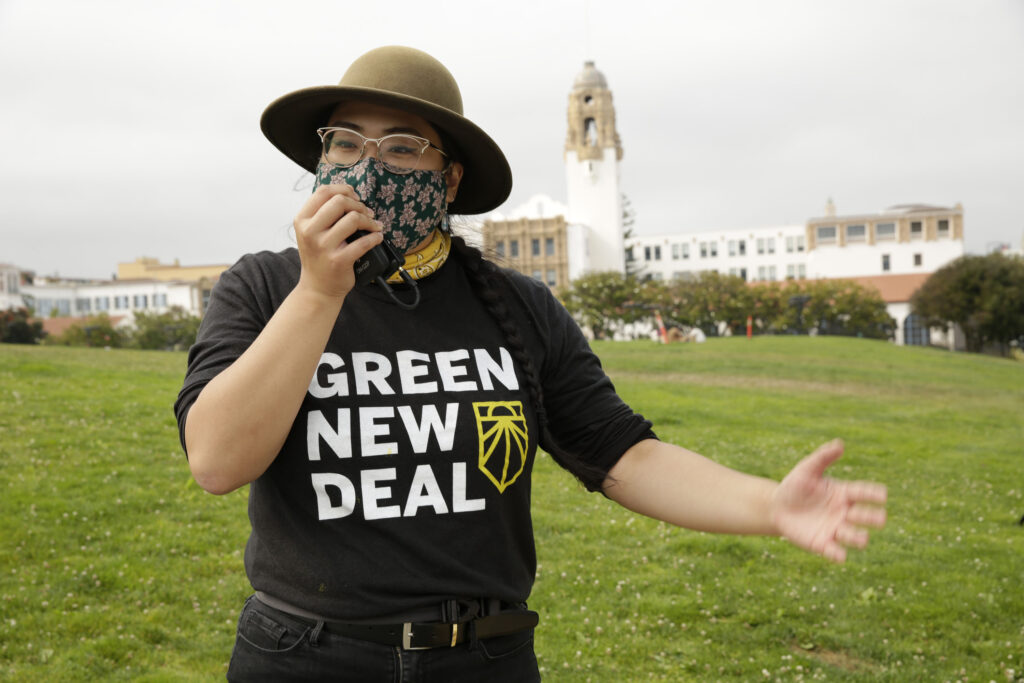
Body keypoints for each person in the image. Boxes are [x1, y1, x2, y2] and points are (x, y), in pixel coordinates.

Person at [175, 46, 887, 682]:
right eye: (346, 142)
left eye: (400, 147)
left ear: (447, 180)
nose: (367, 167)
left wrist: (770, 504)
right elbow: (216, 459)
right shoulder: (263, 288)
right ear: (319, 159)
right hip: (305, 654)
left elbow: (623, 454)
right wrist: (320, 291)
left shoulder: (515, 305)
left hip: (481, 657)